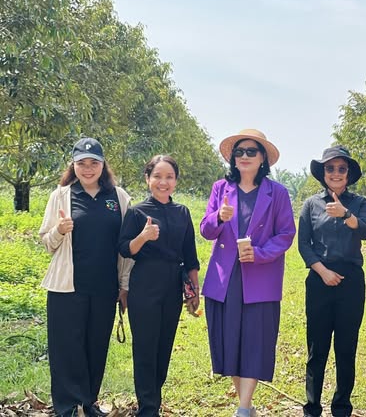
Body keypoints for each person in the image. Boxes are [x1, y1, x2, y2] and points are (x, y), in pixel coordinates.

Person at [200, 129, 296, 417]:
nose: (244, 156)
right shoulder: (221, 188)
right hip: (225, 278)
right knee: (230, 341)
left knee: (255, 341)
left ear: (262, 158)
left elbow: (286, 233)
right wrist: (218, 217)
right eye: (239, 152)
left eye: (251, 151)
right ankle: (246, 407)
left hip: (260, 277)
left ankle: (243, 408)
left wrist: (260, 253)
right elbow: (206, 230)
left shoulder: (277, 193)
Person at [39, 137, 132, 417]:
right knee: (67, 347)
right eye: (82, 163)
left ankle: (88, 403)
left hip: (104, 287)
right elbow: (47, 243)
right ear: (73, 165)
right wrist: (59, 230)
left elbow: (126, 247)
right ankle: (68, 407)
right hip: (66, 287)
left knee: (96, 345)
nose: (88, 169)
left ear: (103, 165)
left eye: (94, 163)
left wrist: (124, 285)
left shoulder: (119, 197)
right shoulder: (61, 196)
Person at [118, 155, 200, 417]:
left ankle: (153, 401)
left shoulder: (182, 212)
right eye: (157, 176)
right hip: (144, 285)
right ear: (147, 179)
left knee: (164, 348)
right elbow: (124, 248)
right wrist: (143, 237)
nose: (163, 182)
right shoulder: (137, 212)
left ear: (175, 181)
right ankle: (148, 408)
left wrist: (194, 290)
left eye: (169, 177)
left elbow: (190, 256)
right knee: (145, 348)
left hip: (172, 285)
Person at [298, 145, 366, 417]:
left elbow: (365, 231)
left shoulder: (359, 203)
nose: (336, 173)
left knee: (346, 348)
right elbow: (303, 244)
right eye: (330, 168)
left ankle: (341, 407)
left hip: (351, 281)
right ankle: (312, 407)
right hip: (320, 279)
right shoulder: (311, 204)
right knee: (317, 348)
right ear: (323, 173)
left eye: (342, 168)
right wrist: (322, 272)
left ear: (349, 173)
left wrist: (345, 214)